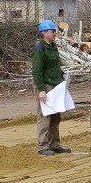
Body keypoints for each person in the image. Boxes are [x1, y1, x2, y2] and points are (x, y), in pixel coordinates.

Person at [32, 19, 70, 157]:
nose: (55, 33)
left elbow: (54, 66)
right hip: (45, 85)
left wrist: (62, 74)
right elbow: (37, 71)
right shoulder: (39, 48)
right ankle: (42, 146)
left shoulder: (53, 46)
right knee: (45, 116)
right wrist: (41, 89)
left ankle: (54, 144)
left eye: (55, 31)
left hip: (55, 85)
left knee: (56, 116)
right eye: (52, 31)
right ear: (44, 33)